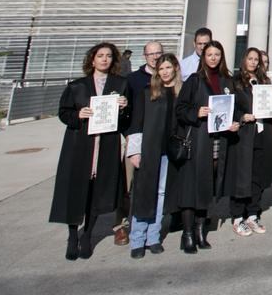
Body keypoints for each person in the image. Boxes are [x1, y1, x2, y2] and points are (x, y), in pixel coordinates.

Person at [49, 42, 130, 260]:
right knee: (76, 191)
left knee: (97, 191)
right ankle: (73, 235)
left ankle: (88, 235)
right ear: (92, 59)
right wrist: (78, 115)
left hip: (106, 144)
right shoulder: (78, 86)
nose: (105, 59)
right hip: (80, 145)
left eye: (109, 56)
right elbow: (64, 113)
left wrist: (123, 108)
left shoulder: (120, 84)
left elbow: (127, 119)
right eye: (100, 55)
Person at [173, 39, 240, 253]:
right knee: (192, 187)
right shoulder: (194, 80)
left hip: (219, 140)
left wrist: (234, 122)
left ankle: (201, 229)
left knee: (207, 186)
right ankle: (188, 233)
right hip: (199, 140)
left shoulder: (226, 80)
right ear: (203, 56)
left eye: (217, 55)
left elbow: (234, 107)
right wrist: (196, 113)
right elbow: (180, 108)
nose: (213, 58)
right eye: (209, 54)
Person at [126, 52, 181, 258]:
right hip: (149, 150)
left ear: (175, 68)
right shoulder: (148, 92)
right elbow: (136, 123)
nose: (166, 72)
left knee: (161, 194)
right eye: (162, 68)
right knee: (143, 193)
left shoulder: (179, 92)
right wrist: (134, 151)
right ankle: (137, 238)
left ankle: (154, 236)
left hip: (169, 151)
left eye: (169, 67)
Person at [226, 47, 272, 236]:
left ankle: (253, 213)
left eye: (257, 59)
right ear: (244, 60)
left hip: (264, 133)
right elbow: (231, 107)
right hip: (245, 134)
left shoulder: (264, 81)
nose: (254, 62)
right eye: (251, 58)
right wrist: (242, 116)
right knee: (242, 176)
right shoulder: (236, 82)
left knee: (258, 174)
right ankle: (238, 216)